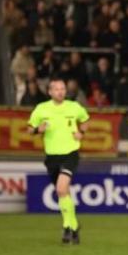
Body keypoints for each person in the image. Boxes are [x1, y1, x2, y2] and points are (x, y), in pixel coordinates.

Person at [27, 77, 90, 245]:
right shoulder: (41, 109)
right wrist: (37, 130)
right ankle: (75, 226)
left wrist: (81, 134)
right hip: (52, 157)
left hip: (70, 153)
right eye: (57, 89)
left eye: (63, 88)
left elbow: (85, 121)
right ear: (50, 92)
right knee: (63, 193)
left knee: (62, 188)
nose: (61, 91)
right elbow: (28, 129)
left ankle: (67, 226)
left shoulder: (74, 107)